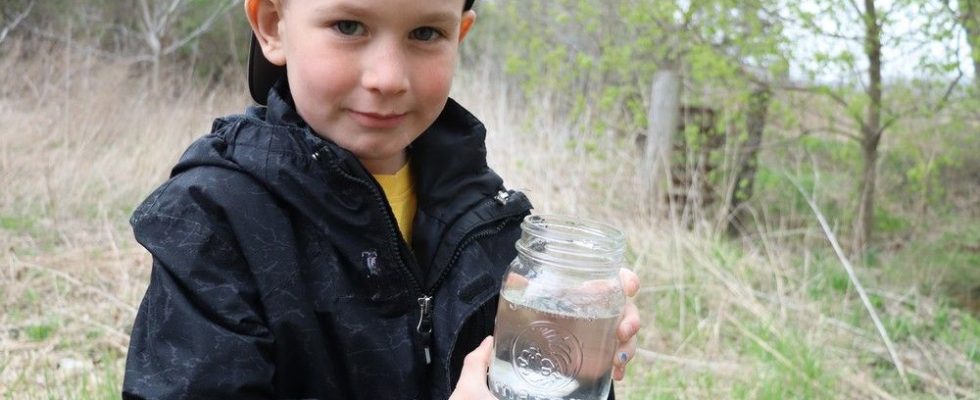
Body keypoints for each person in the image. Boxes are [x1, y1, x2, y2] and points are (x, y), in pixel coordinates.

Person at [122, 0, 642, 398]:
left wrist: (576, 364)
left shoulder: (490, 222)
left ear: (459, 36)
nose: (388, 78)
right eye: (349, 26)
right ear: (273, 25)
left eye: (425, 33)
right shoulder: (215, 220)